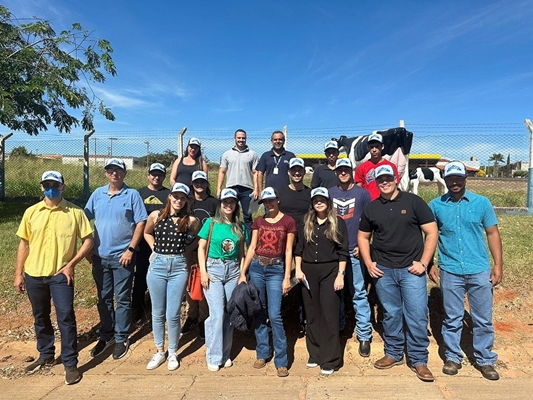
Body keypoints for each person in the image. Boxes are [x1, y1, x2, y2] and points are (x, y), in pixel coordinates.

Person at [358, 164, 438, 382]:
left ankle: (419, 359)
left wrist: (424, 262)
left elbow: (431, 232)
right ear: (375, 181)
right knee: (391, 313)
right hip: (384, 270)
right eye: (380, 179)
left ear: (395, 178)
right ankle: (393, 353)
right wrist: (369, 262)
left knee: (417, 313)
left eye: (388, 178)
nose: (385, 182)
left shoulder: (413, 202)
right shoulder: (372, 208)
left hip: (411, 270)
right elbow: (363, 237)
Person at [14, 171, 93, 385]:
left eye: (55, 184)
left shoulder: (75, 213)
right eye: (47, 184)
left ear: (63, 187)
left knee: (66, 316)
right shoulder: (31, 212)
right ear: (41, 187)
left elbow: (88, 240)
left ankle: (70, 363)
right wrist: (18, 274)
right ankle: (46, 354)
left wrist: (71, 264)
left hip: (60, 274)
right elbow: (24, 244)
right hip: (34, 274)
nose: (51, 188)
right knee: (40, 316)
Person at [429, 161, 503, 381]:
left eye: (458, 178)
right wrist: (430, 263)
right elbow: (430, 235)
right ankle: (452, 356)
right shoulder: (436, 205)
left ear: (465, 179)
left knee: (483, 318)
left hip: (479, 268)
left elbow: (492, 233)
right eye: (450, 178)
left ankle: (485, 359)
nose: (454, 182)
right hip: (450, 269)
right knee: (452, 316)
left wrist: (498, 264)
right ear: (444, 180)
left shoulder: (482, 203)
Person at [84, 158, 148, 360]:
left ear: (124, 173)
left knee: (121, 298)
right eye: (111, 170)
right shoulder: (97, 194)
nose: (115, 174)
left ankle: (121, 337)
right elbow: (83, 220)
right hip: (100, 256)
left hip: (123, 257)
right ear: (106, 173)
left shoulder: (132, 195)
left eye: (119, 170)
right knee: (103, 298)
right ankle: (106, 334)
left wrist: (131, 249)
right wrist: (86, 248)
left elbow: (141, 223)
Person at [238, 187, 296, 378]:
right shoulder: (258, 221)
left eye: (271, 200)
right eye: (265, 201)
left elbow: (288, 251)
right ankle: (262, 352)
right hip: (257, 268)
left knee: (275, 314)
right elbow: (252, 247)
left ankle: (281, 360)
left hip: (276, 270)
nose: (268, 204)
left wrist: (287, 276)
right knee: (259, 311)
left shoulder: (288, 222)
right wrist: (242, 272)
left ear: (278, 200)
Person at [143, 182, 200, 371]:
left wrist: (186, 250)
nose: (178, 200)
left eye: (182, 198)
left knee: (174, 313)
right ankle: (160, 350)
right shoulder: (156, 216)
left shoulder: (190, 220)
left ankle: (173, 352)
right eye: (176, 196)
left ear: (186, 200)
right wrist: (153, 249)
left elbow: (200, 238)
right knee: (157, 312)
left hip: (178, 267)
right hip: (157, 266)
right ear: (170, 197)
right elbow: (147, 232)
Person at [295, 187, 349, 375]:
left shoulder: (338, 223)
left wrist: (340, 275)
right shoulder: (306, 223)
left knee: (329, 314)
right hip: (308, 272)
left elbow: (343, 252)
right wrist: (298, 269)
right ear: (312, 203)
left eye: (322, 199)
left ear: (328, 202)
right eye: (316, 199)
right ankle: (315, 353)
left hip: (330, 272)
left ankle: (330, 359)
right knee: (312, 314)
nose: (319, 202)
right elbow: (299, 249)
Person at [198, 188, 246, 372]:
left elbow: (242, 253)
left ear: (236, 205)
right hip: (214, 270)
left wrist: (242, 274)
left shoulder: (239, 226)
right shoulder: (211, 223)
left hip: (233, 271)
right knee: (216, 314)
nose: (228, 205)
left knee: (229, 314)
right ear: (220, 204)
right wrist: (203, 272)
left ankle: (225, 354)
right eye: (225, 202)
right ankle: (213, 355)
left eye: (232, 202)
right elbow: (201, 248)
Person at [328, 159, 373, 357]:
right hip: (335, 252)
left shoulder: (362, 194)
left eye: (346, 169)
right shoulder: (330, 193)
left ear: (352, 171)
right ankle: (338, 327)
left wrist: (364, 247)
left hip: (355, 251)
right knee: (336, 292)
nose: (343, 172)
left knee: (359, 292)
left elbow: (370, 222)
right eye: (340, 170)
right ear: (336, 172)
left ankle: (364, 334)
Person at [181, 170, 218, 338]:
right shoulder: (187, 203)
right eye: (196, 182)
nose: (199, 185)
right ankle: (192, 316)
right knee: (190, 283)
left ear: (206, 184)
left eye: (202, 182)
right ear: (192, 184)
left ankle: (204, 318)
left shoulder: (213, 203)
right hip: (189, 249)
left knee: (204, 284)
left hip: (208, 250)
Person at [134, 163, 171, 323]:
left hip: (164, 243)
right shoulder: (139, 194)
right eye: (153, 174)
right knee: (141, 274)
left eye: (160, 174)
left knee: (162, 276)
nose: (156, 177)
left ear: (164, 177)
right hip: (143, 242)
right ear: (148, 175)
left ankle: (159, 309)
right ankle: (137, 308)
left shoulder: (169, 195)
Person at [354, 132, 399, 200]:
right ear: (368, 148)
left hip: (387, 201)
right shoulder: (362, 167)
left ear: (382, 147)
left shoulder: (390, 166)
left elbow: (395, 186)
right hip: (368, 203)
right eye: (371, 147)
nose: (374, 150)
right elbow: (358, 189)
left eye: (377, 146)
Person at [277, 157, 312, 227]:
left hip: (304, 231)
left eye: (300, 170)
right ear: (289, 172)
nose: (297, 173)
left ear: (304, 172)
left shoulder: (310, 193)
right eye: (293, 170)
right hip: (285, 231)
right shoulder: (280, 193)